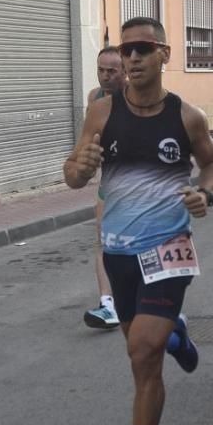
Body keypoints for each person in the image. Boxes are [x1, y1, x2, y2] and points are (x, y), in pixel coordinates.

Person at [63, 16, 213, 425]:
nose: (131, 59)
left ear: (164, 54)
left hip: (168, 248)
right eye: (126, 51)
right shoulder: (101, 113)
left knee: (141, 350)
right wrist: (80, 168)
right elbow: (72, 174)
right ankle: (178, 338)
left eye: (142, 49)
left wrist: (206, 193)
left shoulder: (188, 117)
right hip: (119, 253)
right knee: (143, 354)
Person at [83, 48, 127, 330]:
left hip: (139, 185)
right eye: (101, 69)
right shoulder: (94, 98)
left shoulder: (138, 98)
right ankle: (108, 305)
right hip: (109, 181)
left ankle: (151, 300)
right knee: (102, 240)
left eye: (112, 71)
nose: (105, 76)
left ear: (124, 71)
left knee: (141, 242)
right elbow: (89, 137)